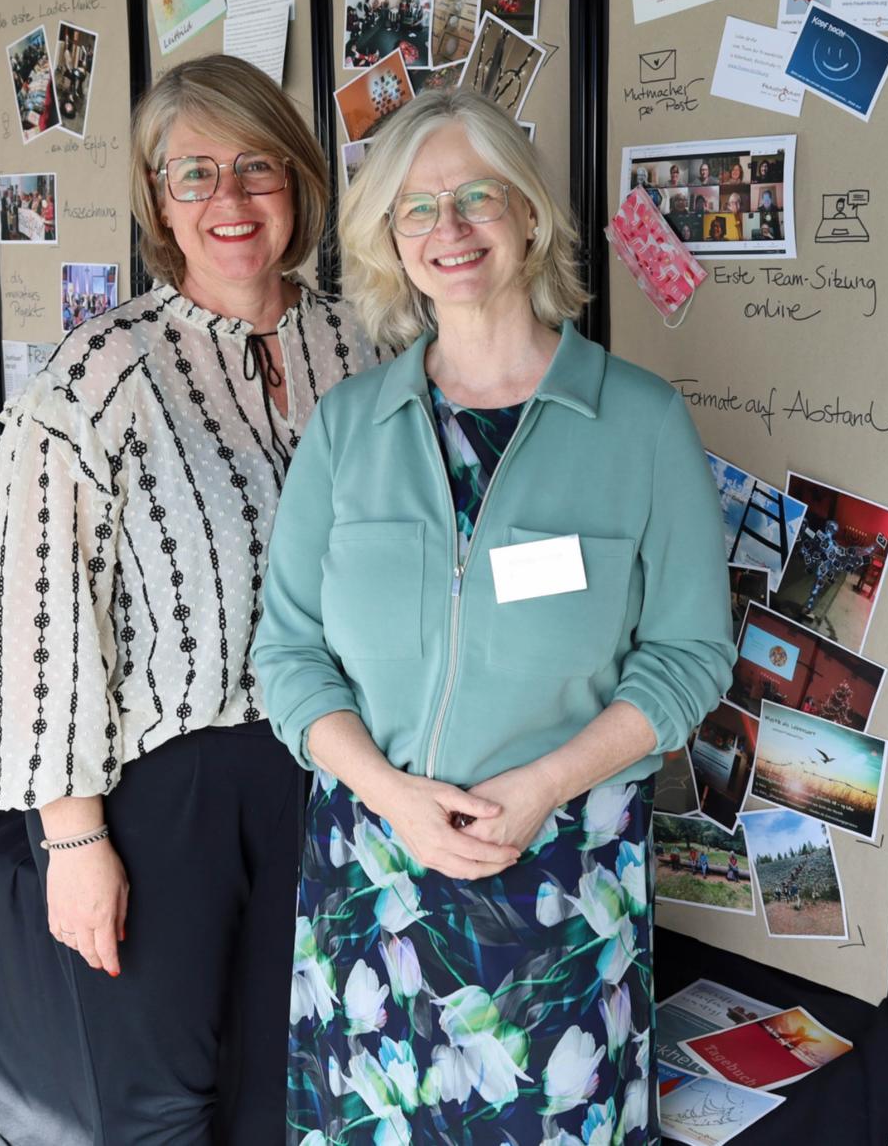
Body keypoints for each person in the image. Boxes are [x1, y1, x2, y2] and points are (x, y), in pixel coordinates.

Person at [255, 87, 734, 1143]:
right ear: (389, 241)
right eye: (416, 209)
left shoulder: (641, 422)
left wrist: (543, 784)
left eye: (477, 196)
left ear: (529, 213)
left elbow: (692, 653)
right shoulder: (345, 429)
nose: (450, 229)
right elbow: (287, 654)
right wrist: (388, 793)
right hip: (372, 868)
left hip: (558, 872)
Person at [0, 54, 374, 1143]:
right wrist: (70, 841)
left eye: (256, 167)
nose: (230, 201)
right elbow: (37, 619)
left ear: (297, 179)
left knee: (297, 1076)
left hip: (338, 774)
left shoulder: (365, 349)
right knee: (159, 1100)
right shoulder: (96, 375)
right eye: (192, 174)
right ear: (156, 200)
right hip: (172, 791)